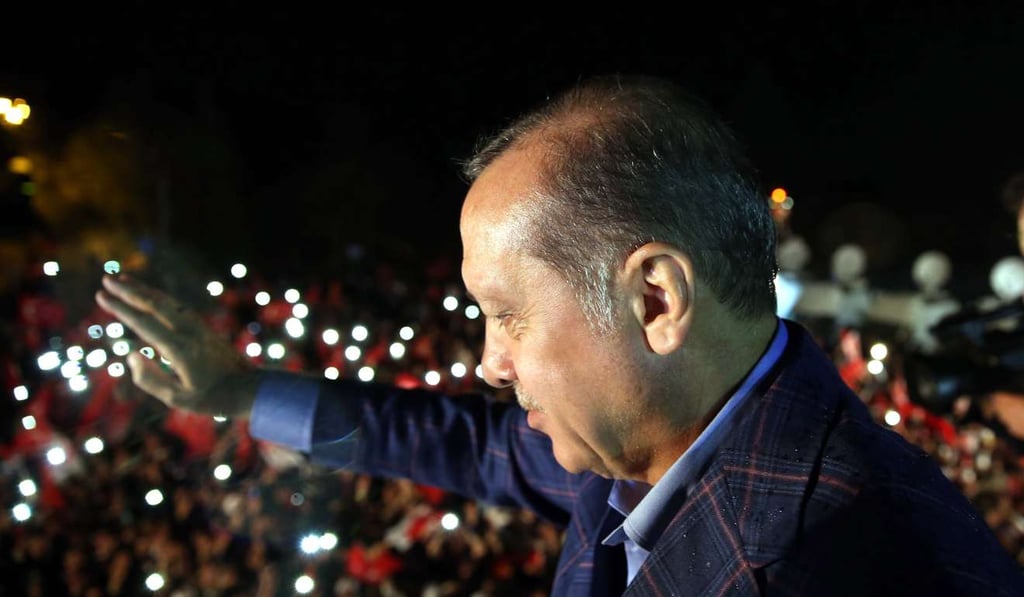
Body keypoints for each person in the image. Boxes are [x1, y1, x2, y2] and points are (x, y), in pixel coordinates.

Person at [95, 75, 1024, 596]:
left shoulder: (882, 568)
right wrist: (241, 393)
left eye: (507, 312)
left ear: (656, 299)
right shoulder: (633, 440)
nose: (488, 364)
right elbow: (465, 444)